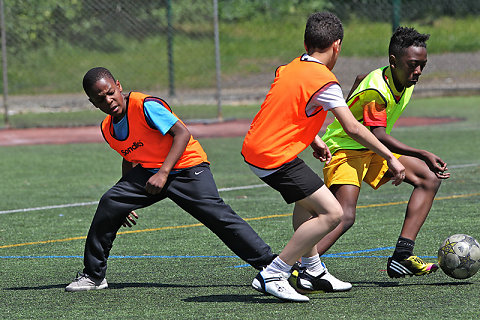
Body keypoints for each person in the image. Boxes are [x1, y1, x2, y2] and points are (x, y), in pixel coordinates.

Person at [241, 12, 405, 302]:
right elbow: (353, 127)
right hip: (273, 156)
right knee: (333, 214)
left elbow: (284, 109)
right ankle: (274, 273)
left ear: (306, 43)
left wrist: (313, 139)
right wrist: (389, 157)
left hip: (259, 150)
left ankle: (313, 270)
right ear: (337, 45)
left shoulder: (289, 68)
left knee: (306, 206)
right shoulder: (326, 82)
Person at [65, 67, 276, 292]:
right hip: (151, 171)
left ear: (118, 85)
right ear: (93, 103)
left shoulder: (146, 106)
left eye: (110, 92)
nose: (109, 100)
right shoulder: (108, 128)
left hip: (187, 168)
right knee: (110, 203)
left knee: (219, 217)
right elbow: (129, 158)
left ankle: (272, 266)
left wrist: (163, 173)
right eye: (100, 99)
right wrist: (126, 202)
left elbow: (182, 133)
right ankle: (94, 275)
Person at [317, 27, 450, 278]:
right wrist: (422, 153)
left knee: (427, 179)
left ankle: (402, 256)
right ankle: (299, 267)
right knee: (343, 216)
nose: (418, 72)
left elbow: (359, 77)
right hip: (346, 149)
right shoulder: (376, 91)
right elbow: (378, 135)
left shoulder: (399, 77)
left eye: (423, 65)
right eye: (413, 65)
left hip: (371, 149)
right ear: (393, 61)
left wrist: (346, 106)